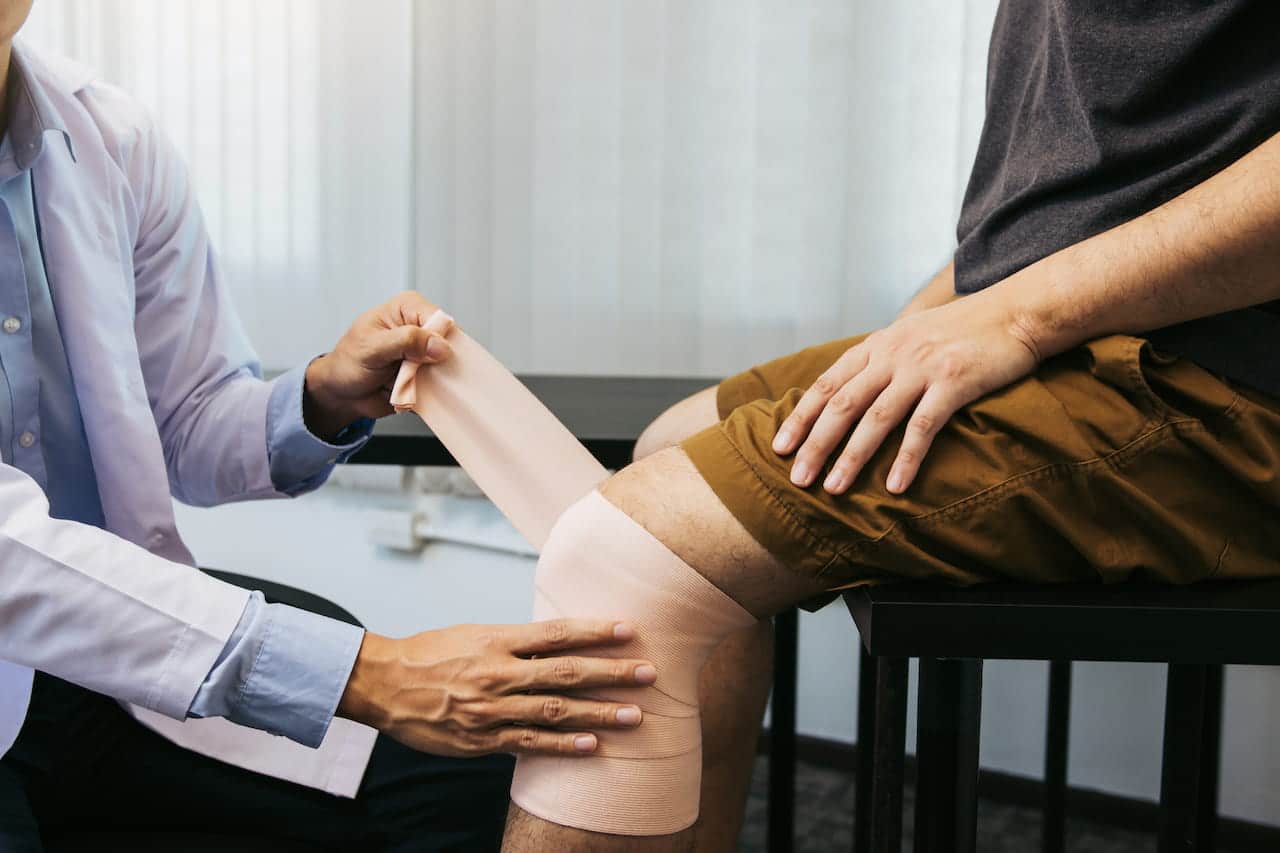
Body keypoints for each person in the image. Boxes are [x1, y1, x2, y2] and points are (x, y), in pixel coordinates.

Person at [497, 1, 1280, 850]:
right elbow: (1085, 191)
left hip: (1225, 376)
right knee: (671, 447)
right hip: (1075, 322)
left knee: (623, 559)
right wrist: (921, 335)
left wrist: (1019, 320)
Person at [0, 4, 657, 851]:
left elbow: (186, 425)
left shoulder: (113, 140)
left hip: (111, 657)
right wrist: (373, 673)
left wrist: (322, 395)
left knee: (479, 777)